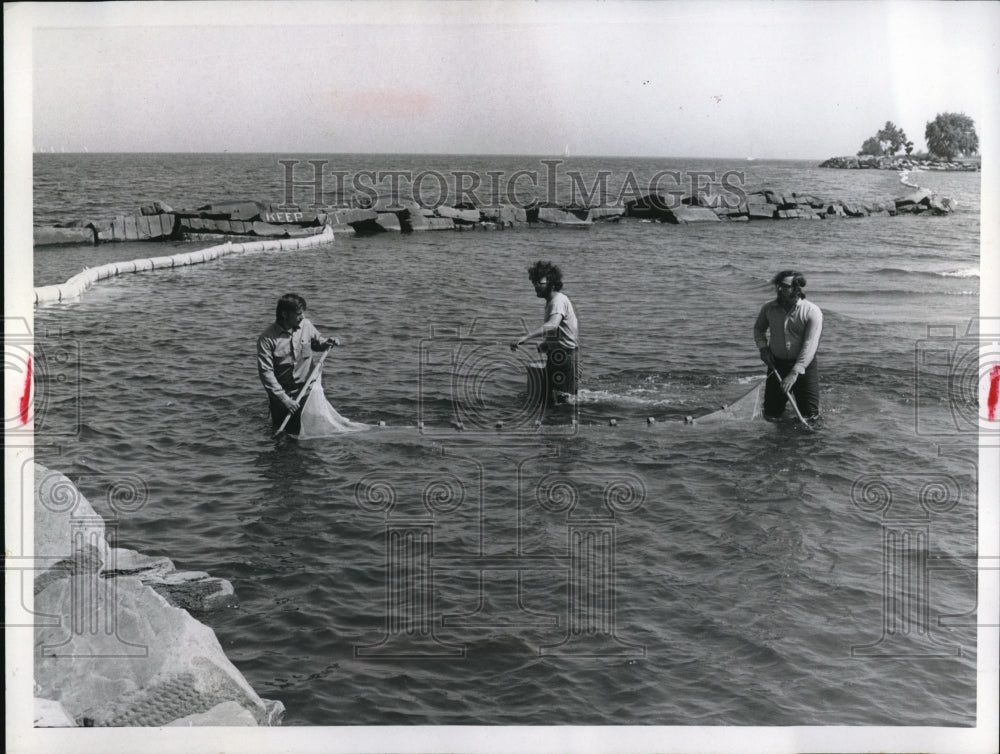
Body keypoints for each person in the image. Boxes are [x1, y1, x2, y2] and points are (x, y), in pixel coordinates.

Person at [257, 293, 339, 433]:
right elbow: (266, 374)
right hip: (282, 397)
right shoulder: (267, 339)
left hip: (307, 391)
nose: (303, 317)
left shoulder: (305, 325)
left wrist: (327, 343)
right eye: (298, 314)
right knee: (282, 436)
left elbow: (317, 342)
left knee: (310, 432)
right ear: (284, 314)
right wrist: (285, 400)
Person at [753, 269, 823, 422]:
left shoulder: (812, 311)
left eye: (784, 286)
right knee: (771, 415)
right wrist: (763, 348)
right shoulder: (768, 308)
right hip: (776, 364)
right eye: (778, 285)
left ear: (797, 289)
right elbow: (759, 329)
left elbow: (810, 345)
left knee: (811, 417)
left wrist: (794, 372)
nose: (779, 289)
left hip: (804, 366)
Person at [510, 261, 579, 405]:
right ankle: (553, 423)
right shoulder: (551, 302)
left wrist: (526, 337)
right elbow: (562, 329)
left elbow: (553, 325)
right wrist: (547, 344)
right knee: (550, 397)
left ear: (552, 283)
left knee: (564, 400)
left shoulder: (558, 301)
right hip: (557, 355)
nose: (535, 285)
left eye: (539, 282)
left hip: (565, 357)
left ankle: (565, 425)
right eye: (534, 281)